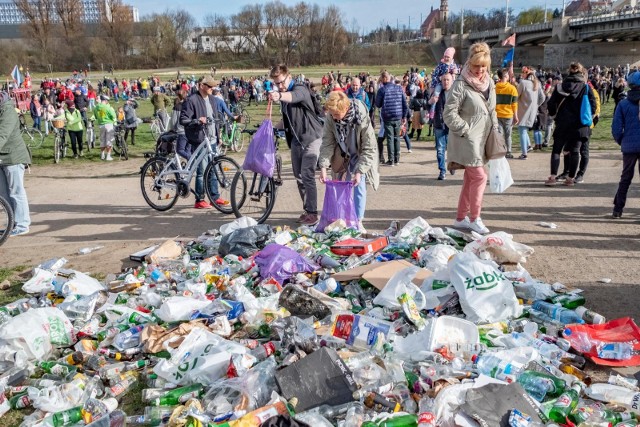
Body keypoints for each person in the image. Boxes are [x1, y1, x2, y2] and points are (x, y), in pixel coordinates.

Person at [443, 42, 497, 235]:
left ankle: (460, 218)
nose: (480, 70)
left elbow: (492, 110)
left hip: (483, 138)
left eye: (483, 66)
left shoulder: (489, 82)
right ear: (469, 63)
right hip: (467, 139)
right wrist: (465, 129)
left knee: (470, 178)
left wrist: (496, 130)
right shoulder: (460, 84)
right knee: (480, 177)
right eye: (476, 66)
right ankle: (475, 218)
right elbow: (448, 113)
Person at [268, 64, 324, 225]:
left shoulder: (300, 89)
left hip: (312, 137)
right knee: (298, 177)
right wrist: (270, 128)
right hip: (296, 140)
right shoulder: (284, 97)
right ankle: (307, 210)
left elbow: (294, 97)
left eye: (281, 82)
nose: (280, 86)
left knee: (307, 174)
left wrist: (279, 95)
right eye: (276, 84)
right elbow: (286, 120)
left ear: (289, 77)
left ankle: (313, 213)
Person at [318, 91, 379, 233]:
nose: (334, 117)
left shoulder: (361, 116)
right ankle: (340, 219)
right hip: (341, 154)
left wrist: (359, 171)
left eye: (336, 114)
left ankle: (358, 221)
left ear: (345, 109)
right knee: (338, 185)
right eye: (331, 114)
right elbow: (327, 143)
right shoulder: (331, 118)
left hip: (360, 153)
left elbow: (369, 147)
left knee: (359, 184)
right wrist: (323, 167)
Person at [179, 76, 228, 208]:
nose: (213, 88)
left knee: (213, 168)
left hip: (211, 140)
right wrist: (196, 120)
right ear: (201, 85)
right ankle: (199, 199)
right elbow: (183, 120)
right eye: (210, 86)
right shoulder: (191, 100)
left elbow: (215, 117)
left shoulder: (212, 99)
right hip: (199, 140)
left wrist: (219, 135)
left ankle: (214, 196)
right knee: (202, 171)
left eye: (213, 86)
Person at [545, 62, 596, 186]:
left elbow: (551, 104)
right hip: (579, 124)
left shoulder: (560, 87)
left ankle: (552, 177)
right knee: (575, 151)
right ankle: (570, 179)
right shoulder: (586, 87)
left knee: (556, 150)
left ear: (569, 72)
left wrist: (554, 115)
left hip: (562, 123)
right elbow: (593, 106)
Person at [0, 91, 31, 236]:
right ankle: (11, 225)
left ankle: (22, 224)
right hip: (1, 157)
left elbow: (2, 135)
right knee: (4, 194)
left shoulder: (8, 111)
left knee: (16, 191)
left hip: (13, 157)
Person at [611, 71, 640, 218]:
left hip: (629, 144)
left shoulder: (623, 103)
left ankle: (618, 208)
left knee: (626, 177)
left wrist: (622, 140)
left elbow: (616, 128)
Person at [375, 71, 408, 166]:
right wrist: (404, 116)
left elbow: (378, 104)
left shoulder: (382, 90)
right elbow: (404, 103)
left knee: (390, 138)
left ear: (383, 79)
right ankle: (397, 159)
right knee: (397, 137)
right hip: (398, 115)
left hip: (388, 116)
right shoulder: (399, 88)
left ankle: (391, 159)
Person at [516, 66, 545, 159]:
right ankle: (527, 147)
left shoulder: (523, 83)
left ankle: (524, 153)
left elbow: (516, 97)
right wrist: (536, 105)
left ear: (526, 74)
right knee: (524, 131)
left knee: (522, 131)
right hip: (532, 111)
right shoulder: (537, 84)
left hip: (523, 110)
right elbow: (542, 98)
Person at [430, 72, 454, 180]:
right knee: (440, 149)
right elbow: (427, 104)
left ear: (452, 81)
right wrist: (430, 102)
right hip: (439, 124)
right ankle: (442, 171)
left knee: (452, 148)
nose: (446, 82)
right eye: (444, 80)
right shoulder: (437, 93)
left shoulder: (455, 93)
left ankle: (452, 164)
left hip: (452, 124)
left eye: (448, 80)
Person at [495, 68, 518, 158]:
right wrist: (516, 116)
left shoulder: (495, 87)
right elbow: (514, 104)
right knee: (508, 135)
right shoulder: (512, 89)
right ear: (505, 76)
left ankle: (500, 151)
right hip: (508, 115)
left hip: (497, 114)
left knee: (499, 134)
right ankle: (508, 151)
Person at [93, 95, 117, 161]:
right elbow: (113, 116)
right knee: (109, 140)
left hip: (101, 125)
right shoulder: (107, 107)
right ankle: (108, 156)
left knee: (102, 140)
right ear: (106, 101)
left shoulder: (96, 108)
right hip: (109, 124)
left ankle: (102, 154)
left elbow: (95, 116)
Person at [170, 90, 189, 160]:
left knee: (180, 150)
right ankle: (189, 167)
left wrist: (172, 129)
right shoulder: (189, 105)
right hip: (190, 131)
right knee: (188, 150)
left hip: (181, 131)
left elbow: (173, 121)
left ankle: (190, 159)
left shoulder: (177, 107)